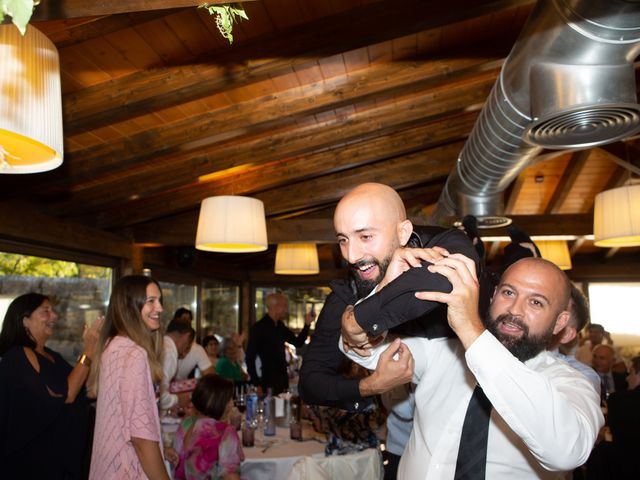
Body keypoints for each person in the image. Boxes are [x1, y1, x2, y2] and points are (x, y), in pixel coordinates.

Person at [343, 255, 603, 479]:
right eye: (508, 292)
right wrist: (364, 319)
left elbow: (567, 452)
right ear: (492, 297)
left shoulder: (571, 382)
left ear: (560, 323)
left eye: (536, 302)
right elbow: (369, 350)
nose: (514, 309)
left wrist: (472, 331)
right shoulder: (444, 352)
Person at [299, 182, 477, 413]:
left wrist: (356, 321)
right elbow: (310, 384)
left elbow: (442, 281)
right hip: (400, 443)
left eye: (365, 236)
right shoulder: (348, 293)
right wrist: (370, 386)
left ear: (402, 232)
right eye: (343, 240)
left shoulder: (444, 242)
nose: (351, 256)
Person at [0, 293, 101, 480]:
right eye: (45, 311)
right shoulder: (17, 356)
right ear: (24, 321)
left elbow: (84, 387)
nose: (54, 316)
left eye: (53, 311)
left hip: (57, 460)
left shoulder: (53, 356)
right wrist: (88, 351)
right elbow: (67, 395)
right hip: (30, 464)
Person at [88, 275, 170, 480]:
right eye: (151, 301)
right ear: (128, 306)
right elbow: (141, 438)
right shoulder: (134, 354)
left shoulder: (111, 346)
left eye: (159, 300)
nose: (159, 308)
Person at [172, 374, 244, 480]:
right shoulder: (226, 432)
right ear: (220, 403)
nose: (232, 404)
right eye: (229, 400)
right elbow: (231, 477)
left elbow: (176, 466)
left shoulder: (185, 425)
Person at [246, 292, 312, 395]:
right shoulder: (259, 328)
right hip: (267, 379)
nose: (286, 308)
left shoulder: (280, 326)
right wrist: (256, 383)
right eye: (284, 305)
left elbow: (298, 342)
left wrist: (307, 325)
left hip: (282, 379)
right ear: (274, 307)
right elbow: (249, 357)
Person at [161, 318, 196, 409]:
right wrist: (177, 399)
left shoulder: (161, 344)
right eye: (188, 344)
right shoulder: (169, 352)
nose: (185, 350)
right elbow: (159, 395)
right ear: (186, 336)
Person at [172, 308, 215, 381]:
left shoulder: (197, 349)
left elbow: (210, 376)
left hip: (181, 389)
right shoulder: (165, 345)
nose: (187, 322)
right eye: (184, 319)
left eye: (189, 319)